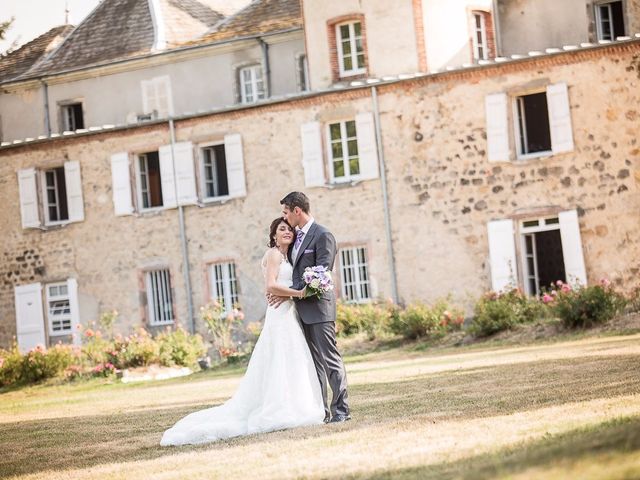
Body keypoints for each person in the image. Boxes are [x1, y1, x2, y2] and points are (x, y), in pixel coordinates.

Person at [160, 217, 325, 446]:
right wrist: (301, 294)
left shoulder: (289, 257)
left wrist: (297, 292)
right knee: (281, 358)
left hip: (288, 313)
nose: (287, 232)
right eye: (282, 229)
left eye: (290, 229)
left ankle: (295, 405)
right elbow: (270, 286)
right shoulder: (274, 254)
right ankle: (279, 408)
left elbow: (282, 286)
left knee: (291, 360)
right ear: (274, 235)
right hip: (280, 315)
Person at [273, 191, 351, 423]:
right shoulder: (293, 237)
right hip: (299, 312)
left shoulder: (323, 235)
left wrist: (289, 294)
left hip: (319, 309)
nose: (284, 218)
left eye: (286, 212)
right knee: (313, 363)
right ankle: (322, 411)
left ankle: (341, 411)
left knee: (330, 360)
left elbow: (321, 275)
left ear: (297, 210)